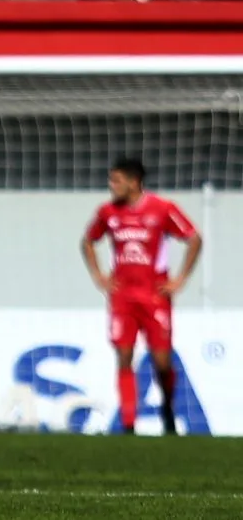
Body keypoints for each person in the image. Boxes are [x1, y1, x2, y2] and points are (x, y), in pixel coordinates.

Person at [81, 158, 202, 436]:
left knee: (161, 362)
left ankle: (168, 408)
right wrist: (99, 275)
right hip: (123, 296)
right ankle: (128, 422)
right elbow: (88, 240)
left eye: (117, 181)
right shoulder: (108, 212)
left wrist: (180, 278)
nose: (112, 186)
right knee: (123, 356)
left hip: (155, 295)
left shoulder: (162, 209)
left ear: (134, 182)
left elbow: (194, 238)